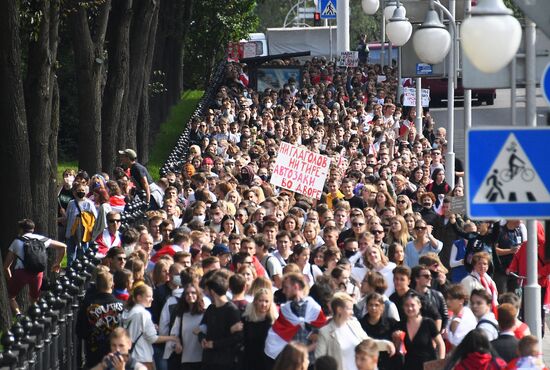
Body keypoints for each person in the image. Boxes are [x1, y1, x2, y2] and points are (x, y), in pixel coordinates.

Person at [4, 219, 66, 316]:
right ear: (33, 229)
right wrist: (57, 263)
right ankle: (35, 318)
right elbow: (63, 247)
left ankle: (18, 315)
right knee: (34, 299)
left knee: (10, 297)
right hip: (37, 273)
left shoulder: (16, 242)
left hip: (21, 273)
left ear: (20, 230)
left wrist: (11, 280)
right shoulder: (41, 239)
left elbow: (6, 266)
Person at [315, 292, 394, 370]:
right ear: (339, 309)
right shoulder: (325, 332)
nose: (352, 312)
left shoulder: (354, 323)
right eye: (349, 309)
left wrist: (385, 344)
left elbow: (367, 342)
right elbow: (319, 361)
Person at [265, 273, 327, 362]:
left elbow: (323, 336)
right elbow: (279, 334)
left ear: (296, 287)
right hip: (292, 362)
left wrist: (307, 348)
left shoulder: (314, 309)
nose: (283, 291)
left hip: (310, 361)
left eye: (286, 287)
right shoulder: (285, 310)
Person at [122, 285, 180, 369]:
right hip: (143, 358)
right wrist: (172, 338)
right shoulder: (144, 313)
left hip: (131, 358)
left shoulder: (131, 311)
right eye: (149, 296)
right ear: (139, 297)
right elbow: (152, 338)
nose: (152, 299)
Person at [77, 270, 125, 368]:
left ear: (96, 286)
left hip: (94, 355)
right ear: (112, 285)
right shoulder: (121, 305)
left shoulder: (88, 305)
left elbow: (80, 331)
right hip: (116, 355)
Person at [198, 273, 243, 370]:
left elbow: (238, 337)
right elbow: (201, 328)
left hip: (225, 361)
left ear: (212, 292)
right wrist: (202, 338)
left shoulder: (232, 310)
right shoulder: (210, 308)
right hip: (208, 360)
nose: (206, 293)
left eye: (207, 290)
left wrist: (215, 344)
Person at [393, 291, 445, 370]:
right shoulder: (400, 325)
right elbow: (397, 350)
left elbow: (441, 344)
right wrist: (396, 339)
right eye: (406, 305)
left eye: (412, 305)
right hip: (409, 366)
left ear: (419, 305)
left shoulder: (428, 323)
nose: (410, 308)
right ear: (403, 307)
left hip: (428, 366)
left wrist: (440, 363)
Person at [166, 282, 205, 370]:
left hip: (203, 360)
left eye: (193, 293)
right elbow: (173, 335)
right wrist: (176, 344)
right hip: (186, 361)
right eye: (187, 293)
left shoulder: (205, 314)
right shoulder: (181, 315)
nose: (190, 295)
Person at [239, 288, 278, 370]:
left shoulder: (273, 322)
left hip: (267, 362)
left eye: (266, 301)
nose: (263, 304)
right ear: (255, 301)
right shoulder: (246, 320)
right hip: (249, 361)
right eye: (261, 300)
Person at [445, 284, 477, 348]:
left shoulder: (457, 321)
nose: (447, 302)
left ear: (461, 301)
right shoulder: (464, 312)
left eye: (451, 299)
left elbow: (456, 347)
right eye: (447, 298)